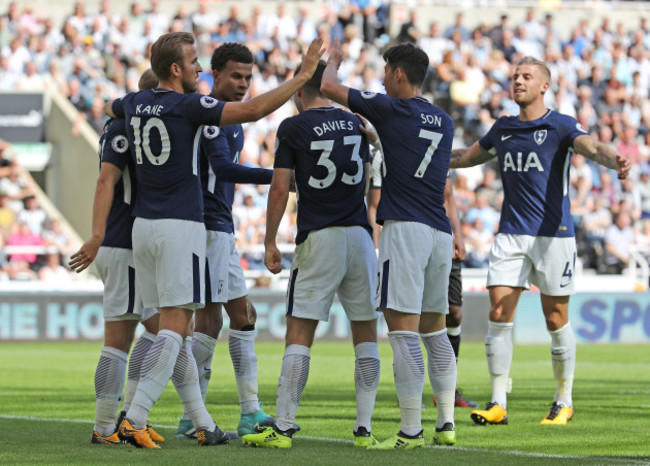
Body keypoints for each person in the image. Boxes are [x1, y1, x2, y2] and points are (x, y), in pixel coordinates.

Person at [72, 32, 324, 449]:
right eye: (192, 62)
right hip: (180, 226)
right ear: (175, 69)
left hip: (142, 227)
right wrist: (303, 77)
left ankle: (188, 420)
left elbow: (114, 105)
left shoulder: (132, 105)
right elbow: (255, 109)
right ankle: (134, 418)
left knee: (157, 332)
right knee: (175, 329)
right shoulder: (189, 105)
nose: (197, 69)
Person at [449, 56, 630, 426]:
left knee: (555, 318)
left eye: (526, 76)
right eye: (515, 75)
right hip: (511, 234)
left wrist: (616, 161)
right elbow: (468, 157)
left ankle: (564, 400)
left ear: (544, 85)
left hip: (554, 236)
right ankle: (498, 402)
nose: (517, 81)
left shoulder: (560, 124)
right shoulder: (503, 128)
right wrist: (426, 157)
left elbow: (592, 148)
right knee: (498, 314)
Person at [321, 41, 457, 449]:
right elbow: (415, 152)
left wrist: (334, 61)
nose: (381, 78)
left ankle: (411, 431)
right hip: (440, 231)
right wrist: (380, 139)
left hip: (407, 230)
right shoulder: (445, 120)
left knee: (402, 333)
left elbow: (328, 87)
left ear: (399, 73)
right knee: (436, 332)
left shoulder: (390, 107)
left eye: (385, 71)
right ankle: (446, 425)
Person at [242, 60, 380, 449]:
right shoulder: (355, 122)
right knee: (365, 331)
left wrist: (270, 241)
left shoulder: (293, 126)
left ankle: (284, 427)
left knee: (300, 332)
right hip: (359, 236)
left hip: (320, 236)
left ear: (300, 90)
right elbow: (368, 180)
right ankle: (364, 429)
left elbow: (280, 187)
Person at [175, 43, 276, 440]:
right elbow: (223, 168)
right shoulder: (210, 117)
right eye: (236, 76)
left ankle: (211, 414)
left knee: (227, 319)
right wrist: (280, 175)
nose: (243, 84)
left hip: (219, 226)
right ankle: (214, 412)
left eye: (248, 78)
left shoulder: (229, 119)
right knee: (227, 318)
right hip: (208, 227)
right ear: (214, 75)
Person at [69, 69, 165, 447]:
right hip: (121, 241)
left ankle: (128, 417)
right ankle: (104, 426)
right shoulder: (127, 129)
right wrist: (97, 235)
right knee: (118, 340)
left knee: (158, 331)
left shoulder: (122, 125)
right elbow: (106, 180)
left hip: (131, 242)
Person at [363, 119, 478, 410]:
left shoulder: (436, 145)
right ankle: (414, 401)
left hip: (440, 235)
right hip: (407, 236)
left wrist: (459, 235)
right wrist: (376, 246)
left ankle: (444, 397)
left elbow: (448, 196)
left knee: (451, 314)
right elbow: (374, 203)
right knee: (409, 322)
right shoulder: (384, 152)